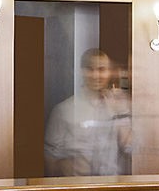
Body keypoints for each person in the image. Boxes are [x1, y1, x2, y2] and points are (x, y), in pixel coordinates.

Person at [44, 48, 131, 176]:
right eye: (90, 69)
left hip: (113, 185)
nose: (95, 75)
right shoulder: (63, 110)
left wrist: (119, 114)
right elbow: (50, 158)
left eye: (101, 69)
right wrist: (62, 167)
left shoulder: (121, 107)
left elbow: (131, 148)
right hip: (77, 185)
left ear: (109, 72)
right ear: (81, 71)